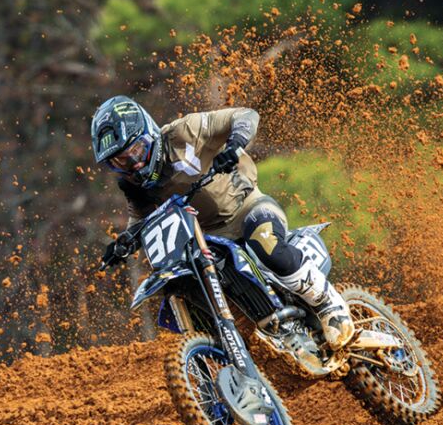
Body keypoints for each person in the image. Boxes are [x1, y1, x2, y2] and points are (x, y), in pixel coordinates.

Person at [91, 95, 355, 350]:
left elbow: (245, 116)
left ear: (149, 133)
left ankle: (327, 304)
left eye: (136, 150)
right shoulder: (133, 185)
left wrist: (234, 145)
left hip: (248, 207)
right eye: (121, 161)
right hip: (207, 238)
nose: (134, 164)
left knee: (266, 243)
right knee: (190, 280)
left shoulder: (185, 132)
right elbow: (141, 218)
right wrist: (125, 241)